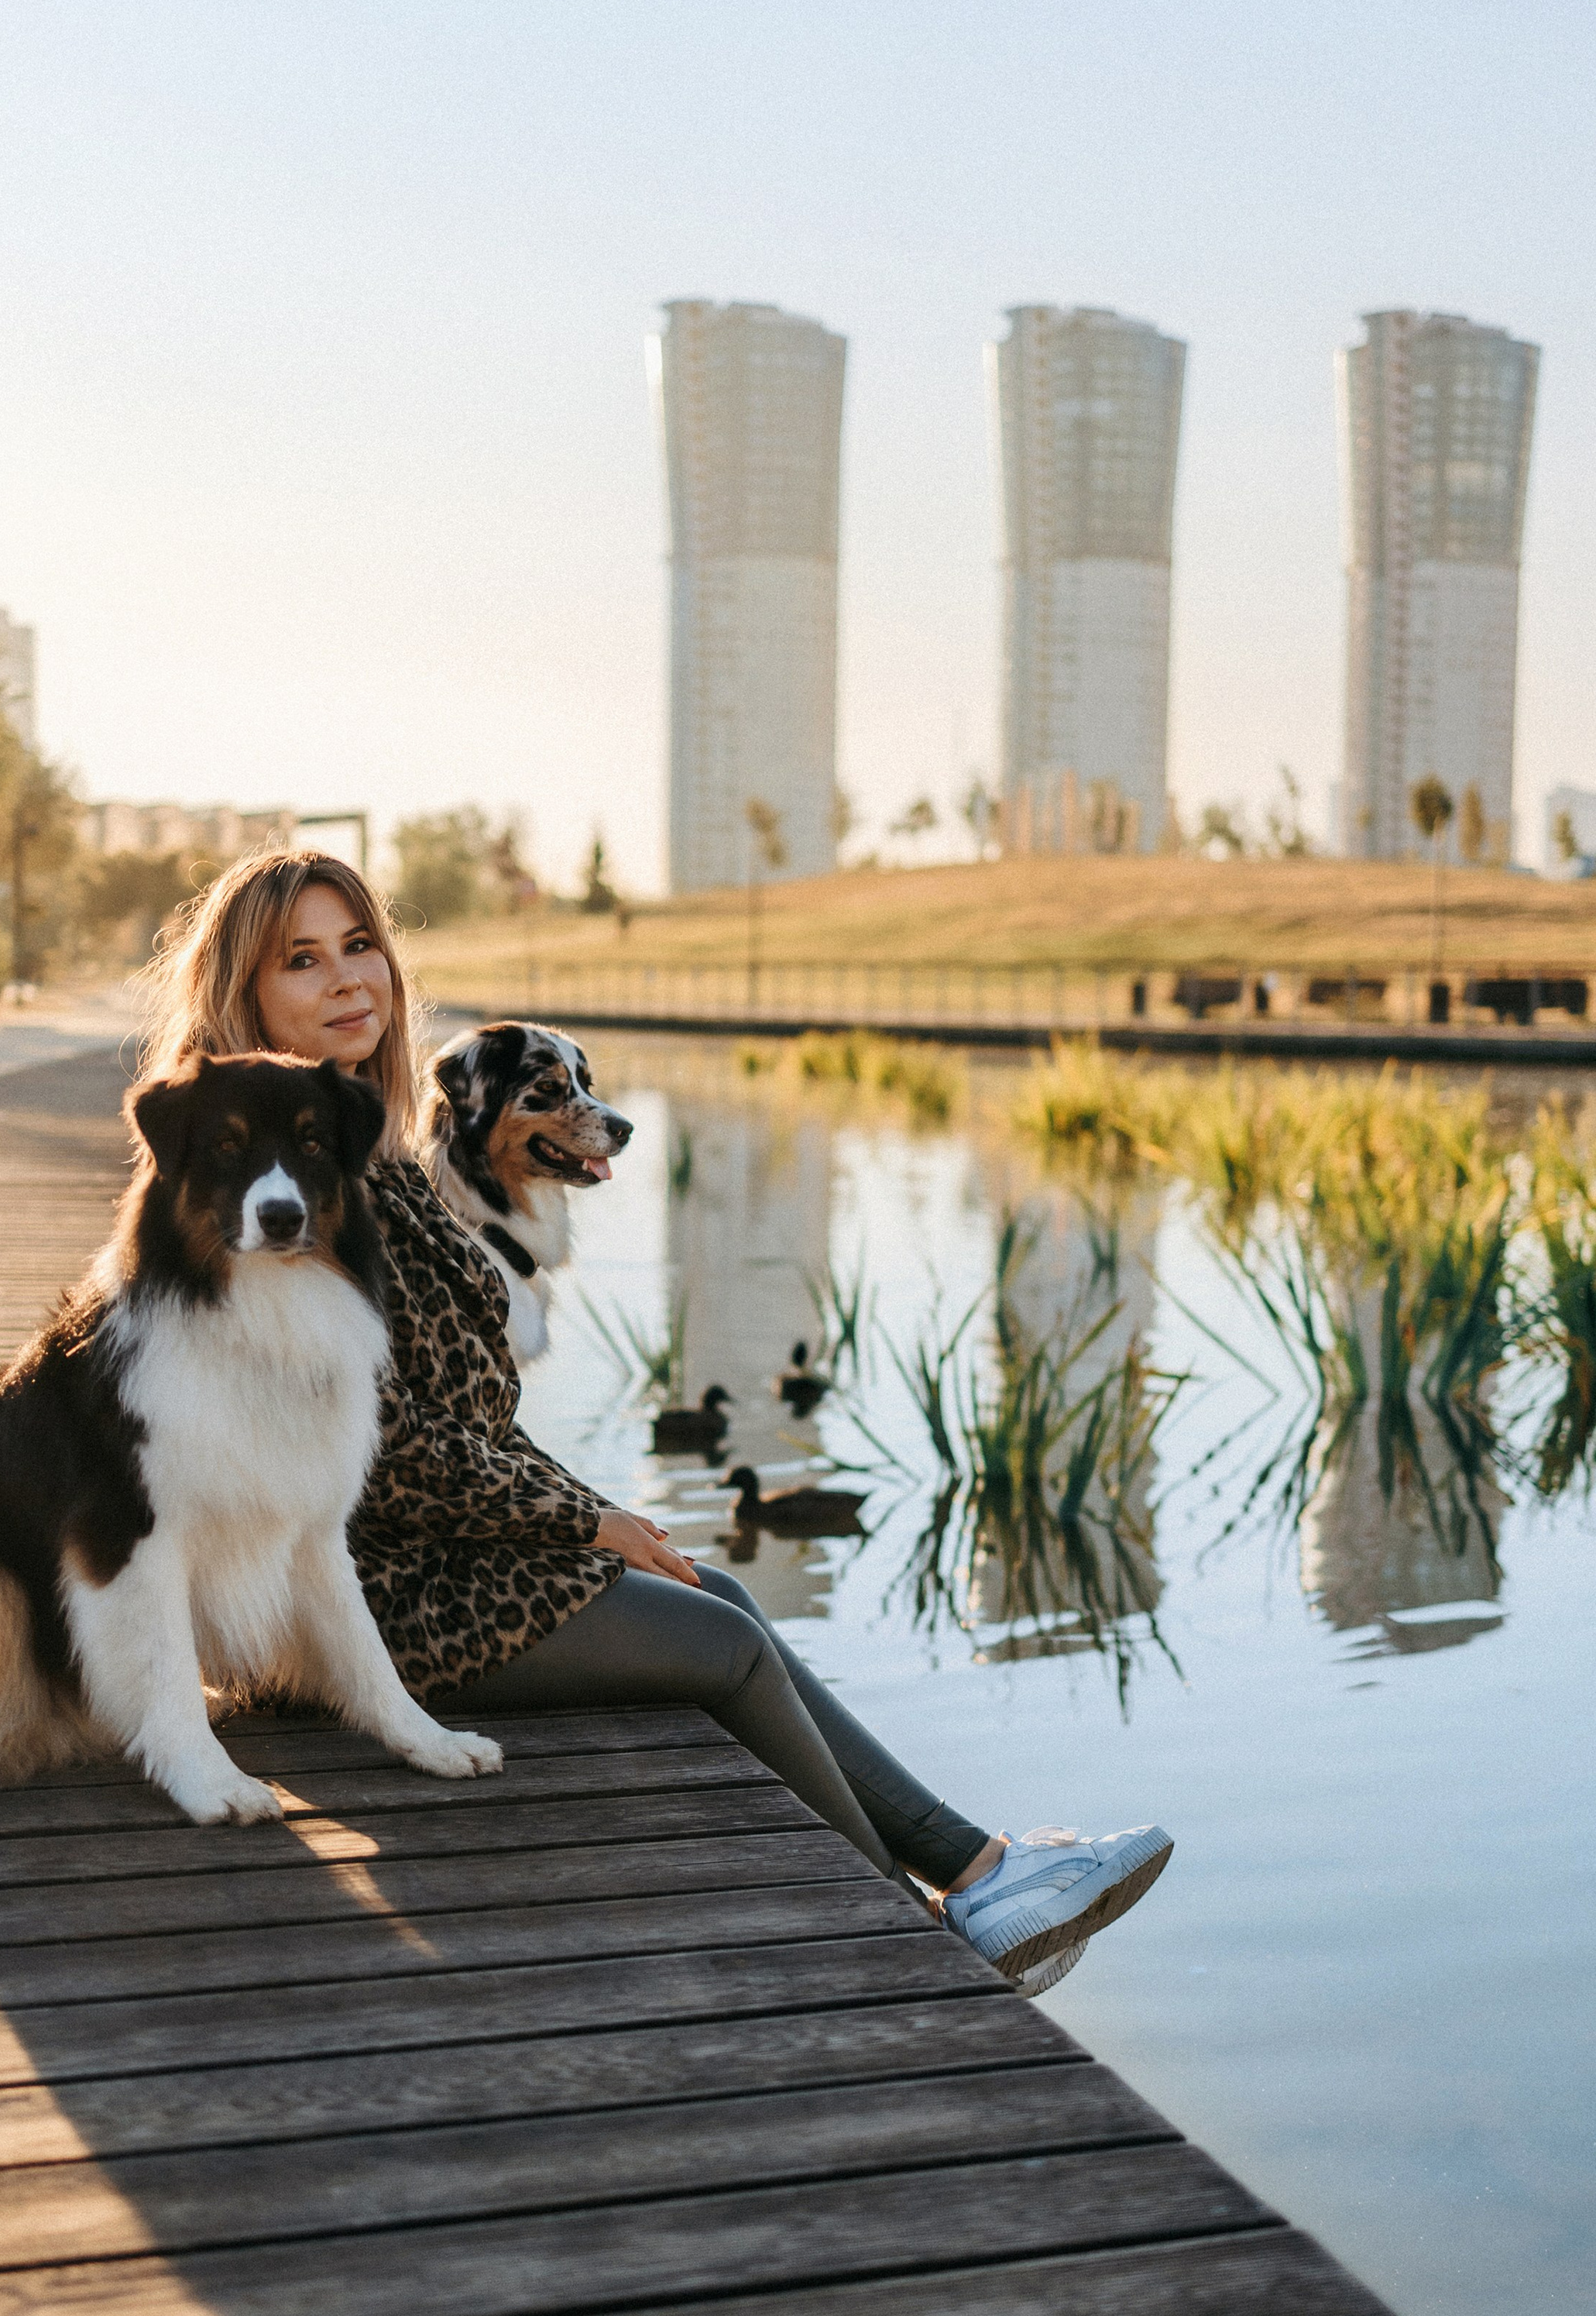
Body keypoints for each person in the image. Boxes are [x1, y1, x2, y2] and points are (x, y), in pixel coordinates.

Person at [139, 847, 1170, 1994]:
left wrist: (595, 1515)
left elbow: (452, 1412)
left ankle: (969, 1884)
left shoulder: (365, 1155)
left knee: (713, 1595)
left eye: (361, 946)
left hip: (422, 1559)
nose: (348, 981)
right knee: (723, 1642)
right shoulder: (277, 1178)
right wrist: (585, 1524)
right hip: (356, 1596)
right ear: (246, 991)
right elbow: (383, 1452)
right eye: (302, 961)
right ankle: (935, 1918)